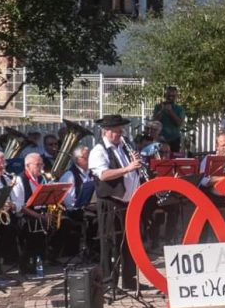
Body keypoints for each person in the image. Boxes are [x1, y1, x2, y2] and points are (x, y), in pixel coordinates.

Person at [88, 114, 142, 289]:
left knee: (129, 243)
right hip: (110, 203)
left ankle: (129, 280)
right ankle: (109, 283)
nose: (121, 132)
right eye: (117, 129)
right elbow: (103, 175)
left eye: (121, 129)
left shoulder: (124, 147)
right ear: (106, 131)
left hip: (128, 203)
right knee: (111, 244)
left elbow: (132, 172)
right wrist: (128, 168)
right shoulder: (99, 150)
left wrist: (136, 164)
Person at [59, 145, 98, 259]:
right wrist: (88, 206)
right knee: (95, 219)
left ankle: (103, 249)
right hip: (75, 211)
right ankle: (92, 251)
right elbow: (69, 202)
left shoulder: (92, 172)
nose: (89, 159)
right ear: (77, 159)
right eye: (86, 157)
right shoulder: (69, 175)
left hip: (91, 207)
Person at [152, 86, 185, 153]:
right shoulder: (158, 107)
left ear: (176, 97)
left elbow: (179, 123)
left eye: (173, 96)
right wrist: (162, 110)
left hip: (174, 139)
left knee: (173, 160)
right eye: (169, 95)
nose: (171, 97)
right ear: (165, 95)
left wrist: (170, 112)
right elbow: (154, 122)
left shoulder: (179, 109)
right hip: (160, 139)